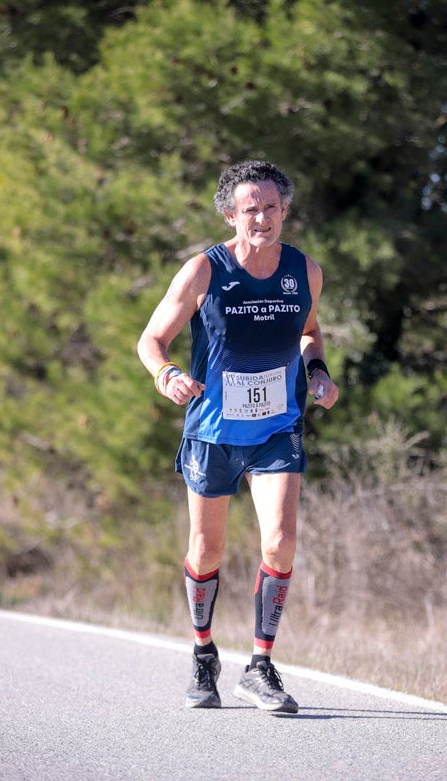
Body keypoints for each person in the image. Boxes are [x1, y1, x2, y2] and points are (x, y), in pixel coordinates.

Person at [137, 160, 339, 714]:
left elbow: (310, 333)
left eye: (271, 207)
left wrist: (318, 372)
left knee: (281, 539)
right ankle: (204, 655)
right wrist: (168, 374)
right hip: (214, 430)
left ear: (285, 211)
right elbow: (151, 339)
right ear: (231, 214)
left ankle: (261, 666)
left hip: (277, 427)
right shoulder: (205, 270)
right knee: (207, 550)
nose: (262, 218)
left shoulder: (305, 271)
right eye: (251, 208)